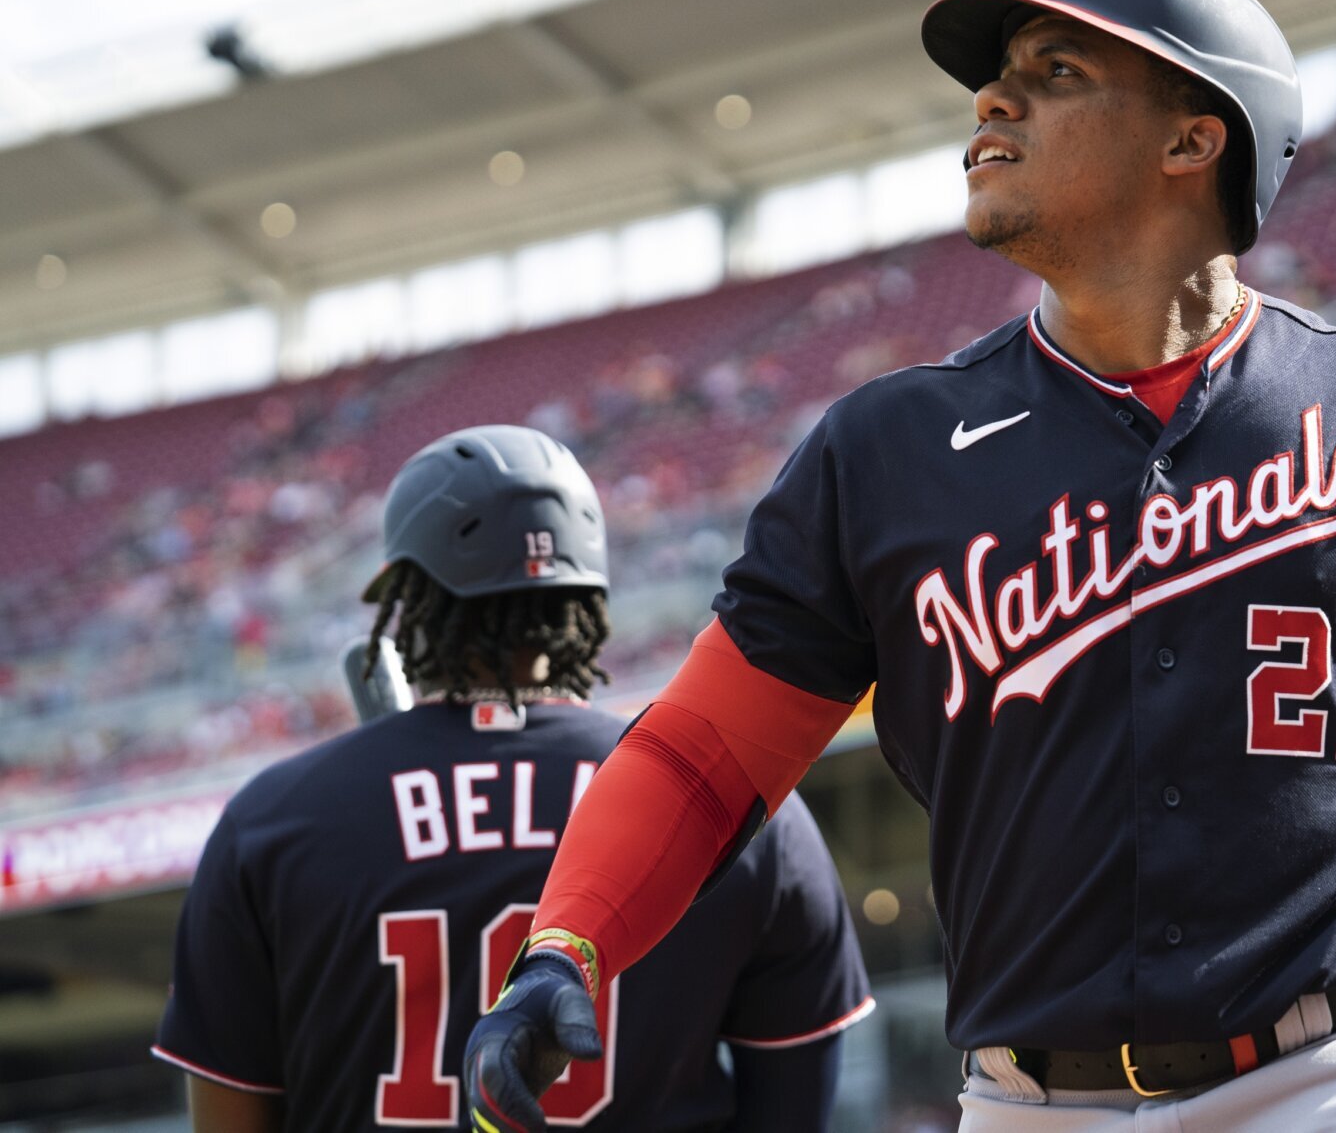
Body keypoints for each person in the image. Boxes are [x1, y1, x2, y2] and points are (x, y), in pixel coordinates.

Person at [465, 0, 1336, 1133]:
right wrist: (561, 944)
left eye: (1055, 69)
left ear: (1193, 139)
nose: (992, 100)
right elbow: (703, 748)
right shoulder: (885, 449)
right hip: (1037, 1104)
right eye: (995, 79)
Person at [153, 425, 872, 1132]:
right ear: (589, 595)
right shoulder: (726, 801)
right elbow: (795, 1109)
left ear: (403, 592)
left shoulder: (272, 822)